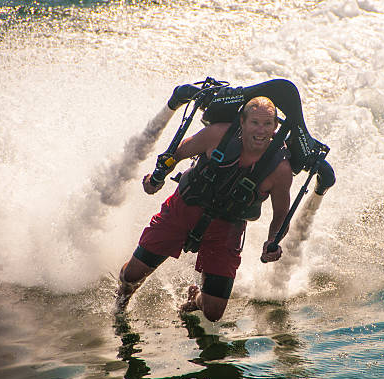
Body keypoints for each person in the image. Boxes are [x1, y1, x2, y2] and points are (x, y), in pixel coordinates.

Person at [116, 96, 293, 322]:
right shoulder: (217, 135)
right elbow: (179, 152)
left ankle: (195, 298)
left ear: (275, 127)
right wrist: (158, 175)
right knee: (132, 275)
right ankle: (121, 299)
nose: (261, 130)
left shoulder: (280, 169)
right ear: (242, 122)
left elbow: (281, 215)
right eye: (255, 123)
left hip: (227, 228)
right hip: (183, 210)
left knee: (213, 313)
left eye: (268, 124)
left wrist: (272, 240)